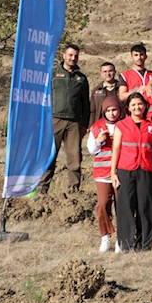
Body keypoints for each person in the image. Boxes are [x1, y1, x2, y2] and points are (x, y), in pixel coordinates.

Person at [38, 44, 90, 194]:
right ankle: (42, 188)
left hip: (74, 123)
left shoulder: (81, 78)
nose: (73, 58)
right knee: (49, 156)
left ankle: (74, 190)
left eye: (75, 56)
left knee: (75, 158)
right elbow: (43, 98)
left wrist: (84, 125)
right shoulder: (53, 74)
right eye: (70, 55)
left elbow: (85, 103)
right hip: (54, 120)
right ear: (63, 55)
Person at [110, 93, 152, 251]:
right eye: (134, 105)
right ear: (128, 108)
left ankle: (146, 242)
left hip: (146, 169)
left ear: (145, 106)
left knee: (145, 205)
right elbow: (116, 149)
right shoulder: (121, 125)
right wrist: (113, 172)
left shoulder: (151, 125)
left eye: (140, 104)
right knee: (126, 206)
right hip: (126, 169)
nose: (137, 107)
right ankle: (126, 243)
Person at [86, 96, 122, 253]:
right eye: (108, 110)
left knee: (121, 205)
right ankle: (105, 237)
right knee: (102, 205)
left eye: (114, 110)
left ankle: (122, 238)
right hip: (102, 173)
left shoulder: (125, 124)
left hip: (121, 172)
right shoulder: (97, 126)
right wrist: (98, 141)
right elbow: (90, 150)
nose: (112, 113)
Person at [89, 62, 119, 126]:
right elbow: (93, 111)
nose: (108, 74)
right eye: (105, 71)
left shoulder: (121, 88)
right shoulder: (96, 91)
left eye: (110, 71)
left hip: (120, 123)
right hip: (101, 125)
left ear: (115, 72)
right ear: (101, 74)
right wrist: (91, 125)